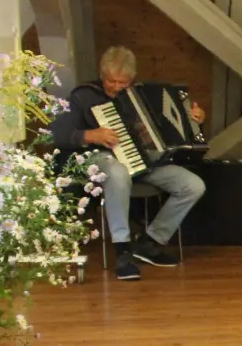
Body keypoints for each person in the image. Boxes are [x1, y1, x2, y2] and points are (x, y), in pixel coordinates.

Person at [49, 46, 207, 281]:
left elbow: (164, 134)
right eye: (110, 81)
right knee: (117, 170)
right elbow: (58, 133)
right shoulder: (83, 95)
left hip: (139, 160)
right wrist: (90, 135)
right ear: (102, 75)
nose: (114, 87)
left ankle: (149, 242)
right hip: (97, 160)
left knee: (193, 185)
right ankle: (122, 250)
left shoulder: (136, 98)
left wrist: (195, 121)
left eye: (121, 82)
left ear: (131, 80)